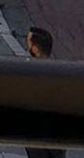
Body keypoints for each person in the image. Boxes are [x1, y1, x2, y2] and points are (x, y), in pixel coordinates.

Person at [24, 28, 66, 157]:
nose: (28, 48)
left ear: (36, 49)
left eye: (29, 45)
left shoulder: (37, 76)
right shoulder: (58, 73)